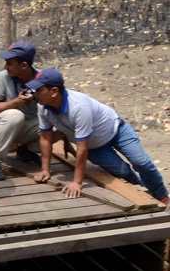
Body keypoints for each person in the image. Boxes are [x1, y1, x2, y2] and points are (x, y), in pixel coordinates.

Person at [28, 69, 169, 203]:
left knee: (141, 162)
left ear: (54, 91)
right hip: (95, 146)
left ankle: (161, 195)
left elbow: (82, 149)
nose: (35, 94)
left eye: (39, 90)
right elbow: (45, 137)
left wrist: (77, 182)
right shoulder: (43, 107)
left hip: (117, 131)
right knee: (122, 172)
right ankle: (144, 191)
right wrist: (45, 169)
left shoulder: (78, 107)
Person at [0, 41, 42, 180]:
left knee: (56, 123)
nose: (6, 67)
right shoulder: (3, 77)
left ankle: (27, 151)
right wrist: (16, 102)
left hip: (28, 127)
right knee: (15, 115)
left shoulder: (41, 79)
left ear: (24, 65)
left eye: (10, 63)